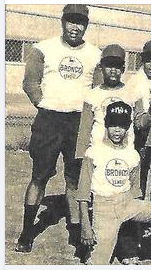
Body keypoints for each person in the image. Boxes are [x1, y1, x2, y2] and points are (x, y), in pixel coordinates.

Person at [15, 4, 102, 253]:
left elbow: (96, 91)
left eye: (80, 22)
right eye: (71, 21)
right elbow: (30, 82)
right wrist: (43, 104)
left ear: (86, 25)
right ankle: (27, 231)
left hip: (78, 122)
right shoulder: (43, 48)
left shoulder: (95, 54)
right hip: (49, 120)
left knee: (74, 180)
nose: (75, 27)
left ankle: (75, 231)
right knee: (39, 176)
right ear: (62, 22)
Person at [76, 101, 151, 265]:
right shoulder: (93, 152)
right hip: (104, 208)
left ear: (127, 127)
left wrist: (140, 222)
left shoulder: (133, 155)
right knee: (98, 262)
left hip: (127, 203)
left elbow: (135, 191)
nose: (117, 130)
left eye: (121, 126)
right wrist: (85, 226)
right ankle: (92, 253)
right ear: (106, 125)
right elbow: (83, 193)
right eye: (113, 125)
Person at [116, 40, 151, 265]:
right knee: (138, 186)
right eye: (148, 60)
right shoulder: (134, 82)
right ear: (142, 59)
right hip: (141, 142)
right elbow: (132, 119)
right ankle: (132, 236)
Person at [75, 44, 143, 158]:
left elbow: (140, 122)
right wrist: (81, 156)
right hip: (98, 154)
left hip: (124, 154)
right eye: (109, 66)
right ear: (101, 67)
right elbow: (84, 130)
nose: (113, 70)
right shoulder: (92, 95)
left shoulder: (133, 93)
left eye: (117, 66)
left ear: (123, 69)